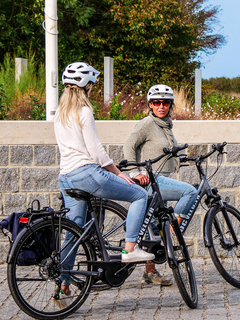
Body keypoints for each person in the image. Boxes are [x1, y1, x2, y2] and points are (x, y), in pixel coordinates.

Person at [54, 62, 155, 306]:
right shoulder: (84, 111)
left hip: (65, 177)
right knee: (140, 195)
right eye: (92, 85)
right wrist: (118, 173)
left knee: (73, 233)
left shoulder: (59, 113)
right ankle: (130, 248)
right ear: (85, 86)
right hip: (87, 173)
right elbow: (96, 152)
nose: (93, 89)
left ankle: (63, 283)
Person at [124, 84, 198, 286]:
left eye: (165, 103)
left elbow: (169, 152)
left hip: (161, 181)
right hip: (151, 180)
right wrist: (135, 173)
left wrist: (186, 159)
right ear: (150, 104)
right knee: (190, 193)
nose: (161, 106)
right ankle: (174, 237)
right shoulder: (146, 124)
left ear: (170, 105)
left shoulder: (166, 126)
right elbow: (128, 146)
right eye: (156, 102)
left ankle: (150, 273)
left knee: (153, 228)